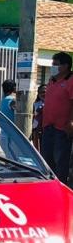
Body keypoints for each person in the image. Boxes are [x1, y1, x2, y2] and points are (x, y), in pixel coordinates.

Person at [41, 52, 73, 183]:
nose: (52, 67)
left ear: (65, 66)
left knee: (60, 161)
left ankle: (60, 186)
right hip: (48, 126)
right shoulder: (51, 80)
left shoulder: (71, 80)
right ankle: (48, 185)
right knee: (46, 160)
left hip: (62, 128)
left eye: (56, 64)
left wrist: (71, 122)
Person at [32, 84, 46, 150]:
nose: (43, 94)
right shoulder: (35, 104)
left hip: (48, 130)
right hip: (37, 130)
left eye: (45, 92)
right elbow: (33, 117)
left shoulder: (53, 103)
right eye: (41, 92)